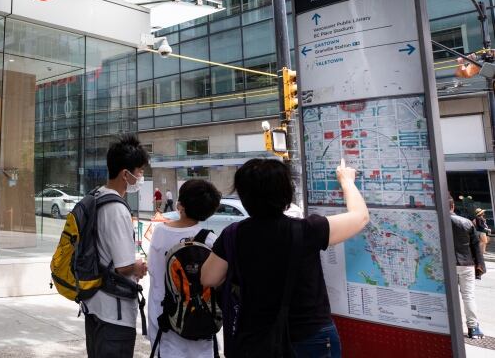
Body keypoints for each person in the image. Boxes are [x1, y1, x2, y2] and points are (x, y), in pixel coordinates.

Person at [201, 158, 369, 357]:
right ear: (286, 192)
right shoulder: (306, 230)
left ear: (243, 195)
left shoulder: (233, 235)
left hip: (257, 339)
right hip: (310, 337)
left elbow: (208, 278)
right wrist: (347, 181)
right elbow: (360, 217)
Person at [82, 133, 150, 358]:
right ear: (125, 174)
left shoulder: (97, 196)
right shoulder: (117, 209)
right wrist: (138, 266)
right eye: (139, 172)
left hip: (93, 306)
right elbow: (123, 267)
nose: (141, 177)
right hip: (115, 315)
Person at [148, 179, 221, 357]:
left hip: (164, 322)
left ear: (180, 205)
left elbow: (153, 271)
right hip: (200, 324)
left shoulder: (159, 232)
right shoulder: (210, 241)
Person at [451, 197, 485, 338]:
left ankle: (450, 327)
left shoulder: (434, 222)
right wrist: (480, 267)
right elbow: (476, 247)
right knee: (468, 296)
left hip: (447, 266)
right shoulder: (466, 223)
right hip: (466, 264)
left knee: (448, 297)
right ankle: (473, 328)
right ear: (453, 206)